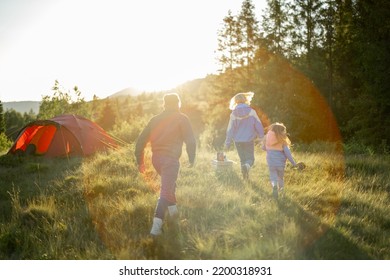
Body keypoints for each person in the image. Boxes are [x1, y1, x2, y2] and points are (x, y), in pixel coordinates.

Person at [135, 93, 196, 236]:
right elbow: (191, 141)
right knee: (166, 192)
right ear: (178, 103)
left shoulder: (154, 119)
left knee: (169, 186)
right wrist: (192, 158)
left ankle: (174, 216)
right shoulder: (182, 118)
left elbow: (140, 141)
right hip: (170, 161)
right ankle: (156, 229)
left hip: (156, 160)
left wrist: (140, 161)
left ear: (164, 104)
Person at [224, 92, 264, 180]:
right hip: (249, 140)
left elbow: (230, 129)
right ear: (245, 100)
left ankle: (245, 178)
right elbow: (258, 125)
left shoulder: (233, 114)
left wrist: (227, 143)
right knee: (250, 159)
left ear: (235, 101)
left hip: (238, 140)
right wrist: (261, 137)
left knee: (242, 159)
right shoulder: (252, 111)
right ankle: (246, 168)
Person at [262, 122, 297, 199]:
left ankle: (274, 186)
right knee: (280, 178)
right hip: (281, 163)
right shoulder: (282, 140)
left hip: (271, 161)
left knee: (273, 176)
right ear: (281, 131)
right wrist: (294, 163)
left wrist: (268, 147)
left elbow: (263, 148)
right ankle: (281, 191)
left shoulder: (267, 137)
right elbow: (288, 154)